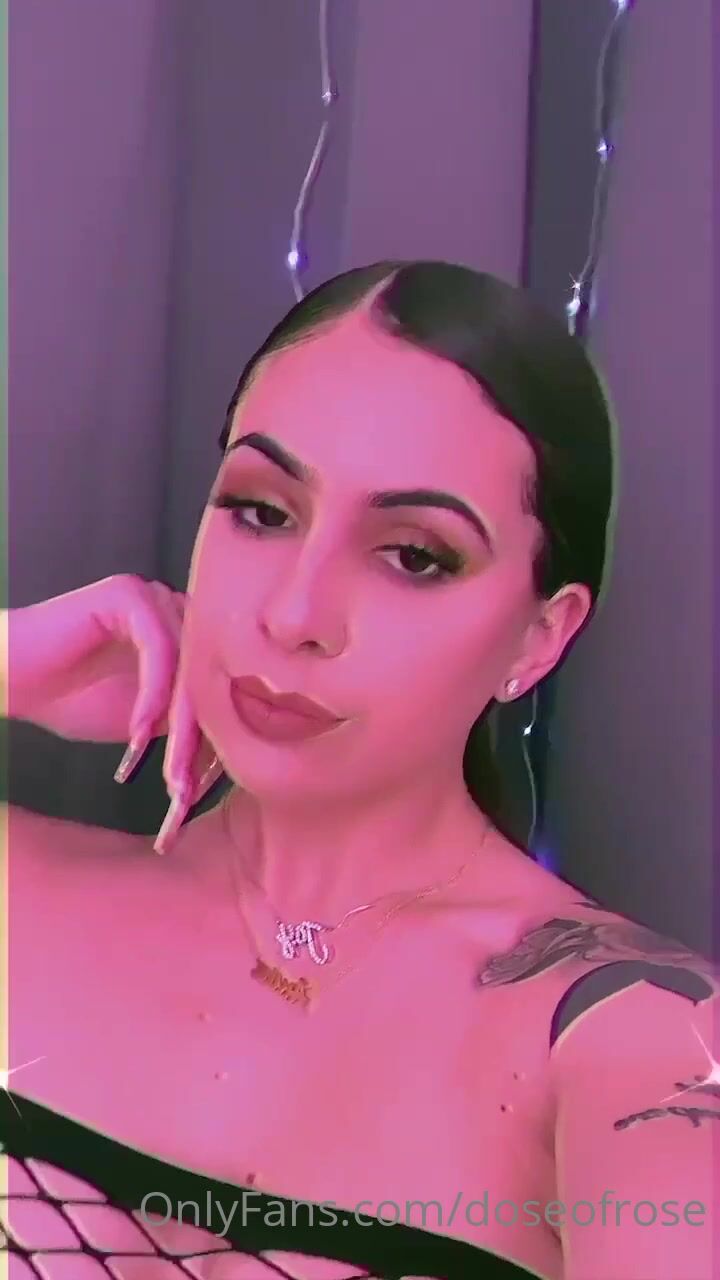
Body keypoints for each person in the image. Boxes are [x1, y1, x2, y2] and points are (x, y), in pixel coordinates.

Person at [3, 260, 718, 1280]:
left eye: (414, 556)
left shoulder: (635, 1035)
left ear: (540, 636)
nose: (295, 613)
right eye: (262, 510)